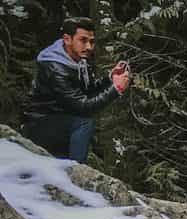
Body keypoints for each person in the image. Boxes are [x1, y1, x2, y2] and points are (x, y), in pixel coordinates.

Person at [20, 17, 130, 164]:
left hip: (60, 121)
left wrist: (110, 79)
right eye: (83, 40)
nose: (89, 46)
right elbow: (83, 107)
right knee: (84, 122)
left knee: (81, 122)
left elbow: (87, 91)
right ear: (67, 39)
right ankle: (76, 172)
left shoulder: (77, 60)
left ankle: (71, 171)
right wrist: (115, 90)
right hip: (39, 125)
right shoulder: (56, 67)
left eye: (91, 41)